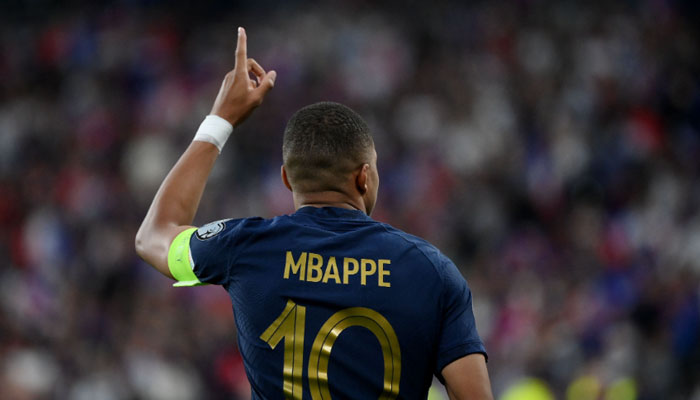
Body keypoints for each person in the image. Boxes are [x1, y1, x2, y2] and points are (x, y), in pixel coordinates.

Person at [135, 27, 493, 400]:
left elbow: (153, 235)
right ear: (364, 177)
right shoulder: (431, 271)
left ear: (287, 179)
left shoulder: (244, 247)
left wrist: (220, 121)